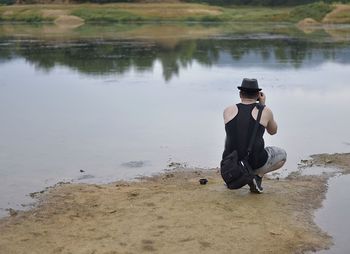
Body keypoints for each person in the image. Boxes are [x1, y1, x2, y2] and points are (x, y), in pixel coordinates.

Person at [222, 78, 287, 193]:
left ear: (240, 94)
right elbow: (273, 131)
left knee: (230, 137)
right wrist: (263, 105)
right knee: (283, 155)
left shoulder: (227, 110)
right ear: (258, 95)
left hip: (230, 163)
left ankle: (238, 173)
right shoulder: (265, 111)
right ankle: (258, 175)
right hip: (255, 161)